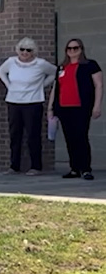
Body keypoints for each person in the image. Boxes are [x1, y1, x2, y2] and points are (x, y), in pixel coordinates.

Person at [0, 37, 56, 175]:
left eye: (28, 50)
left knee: (33, 135)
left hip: (33, 102)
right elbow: (0, 71)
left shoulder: (40, 64)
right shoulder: (11, 62)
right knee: (14, 134)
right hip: (13, 101)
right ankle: (14, 166)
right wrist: (8, 85)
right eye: (22, 49)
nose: (24, 53)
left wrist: (42, 85)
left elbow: (55, 73)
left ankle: (35, 166)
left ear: (33, 52)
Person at [48, 38, 103, 180]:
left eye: (75, 48)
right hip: (64, 107)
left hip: (81, 107)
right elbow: (56, 87)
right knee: (70, 138)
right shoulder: (61, 67)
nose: (72, 51)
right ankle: (74, 168)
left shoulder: (90, 65)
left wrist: (97, 105)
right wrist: (51, 107)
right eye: (69, 49)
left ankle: (85, 168)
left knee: (81, 137)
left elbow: (99, 85)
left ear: (81, 49)